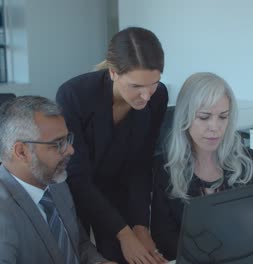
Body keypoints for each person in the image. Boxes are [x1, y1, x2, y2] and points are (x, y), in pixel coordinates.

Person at [56, 27, 168, 263]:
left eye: (154, 83)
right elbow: (77, 176)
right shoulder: (74, 95)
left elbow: (142, 163)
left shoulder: (158, 97)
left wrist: (139, 226)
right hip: (77, 192)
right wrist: (124, 233)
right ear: (113, 73)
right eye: (136, 86)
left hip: (122, 188)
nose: (147, 96)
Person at [0, 96, 115, 264]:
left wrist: (99, 262)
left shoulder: (56, 181)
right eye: (57, 143)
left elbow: (79, 243)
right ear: (22, 152)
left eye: (67, 139)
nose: (70, 150)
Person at [150, 72, 253, 260]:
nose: (214, 127)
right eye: (204, 117)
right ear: (185, 118)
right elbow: (165, 241)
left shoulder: (252, 164)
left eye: (223, 117)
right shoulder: (165, 172)